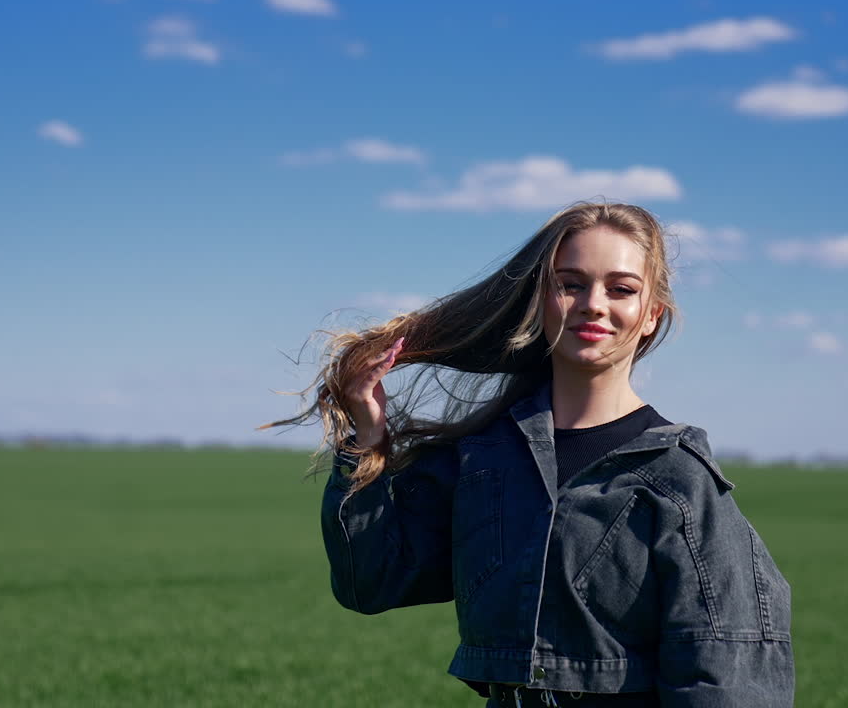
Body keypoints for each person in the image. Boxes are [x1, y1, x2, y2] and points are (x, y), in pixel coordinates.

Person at [261, 201, 795, 706]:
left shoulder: (677, 479)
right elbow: (369, 582)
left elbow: (728, 675)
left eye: (621, 289)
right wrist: (368, 435)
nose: (594, 304)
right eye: (570, 284)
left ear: (650, 315)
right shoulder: (485, 460)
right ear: (541, 300)